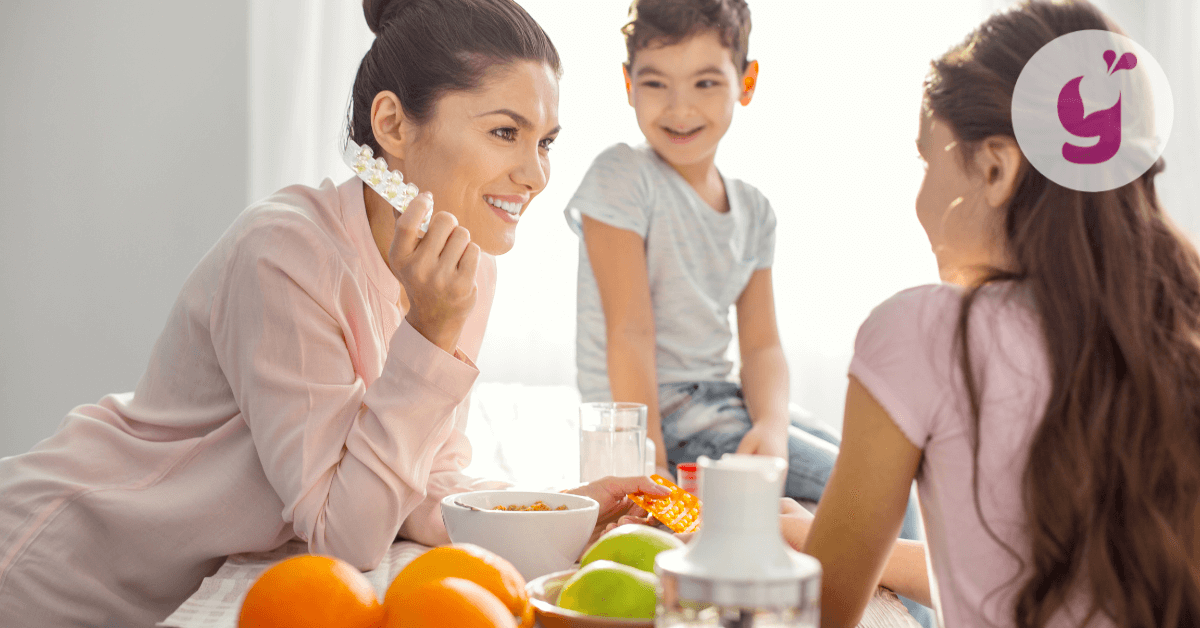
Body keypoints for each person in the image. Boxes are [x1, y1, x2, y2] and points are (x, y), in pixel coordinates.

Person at [0, 1, 669, 626]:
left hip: (172, 592)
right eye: (505, 132)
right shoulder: (286, 252)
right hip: (57, 572)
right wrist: (432, 331)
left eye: (546, 141)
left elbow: (421, 481)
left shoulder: (460, 263)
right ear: (392, 125)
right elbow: (343, 536)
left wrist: (565, 510)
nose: (537, 174)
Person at [772, 1, 1200, 627]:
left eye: (927, 160)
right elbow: (1021, 568)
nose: (920, 198)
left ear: (997, 168)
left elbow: (824, 615)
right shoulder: (1174, 327)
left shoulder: (927, 334)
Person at [564, 1, 931, 624]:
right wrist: (647, 454)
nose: (681, 109)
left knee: (876, 473)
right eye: (656, 83)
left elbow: (761, 346)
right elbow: (629, 329)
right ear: (628, 86)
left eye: (707, 83)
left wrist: (773, 421)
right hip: (665, 414)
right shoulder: (622, 176)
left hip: (723, 404)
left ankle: (893, 596)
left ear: (747, 82)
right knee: (864, 487)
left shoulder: (753, 211)